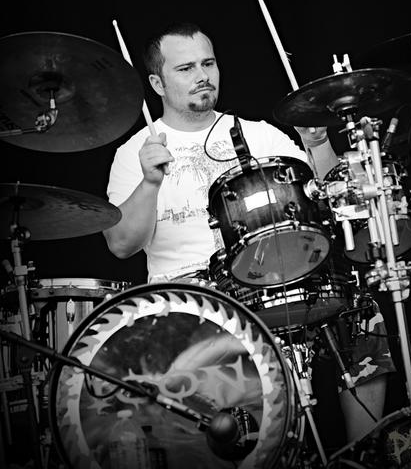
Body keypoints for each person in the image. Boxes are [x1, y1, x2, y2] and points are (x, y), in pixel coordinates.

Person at [103, 22, 394, 447]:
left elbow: (329, 198)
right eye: (185, 68)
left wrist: (318, 145)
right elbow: (121, 245)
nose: (202, 75)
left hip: (267, 281)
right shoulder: (134, 153)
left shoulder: (258, 133)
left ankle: (364, 455)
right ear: (157, 83)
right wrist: (149, 182)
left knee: (360, 308)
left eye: (208, 63)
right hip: (187, 301)